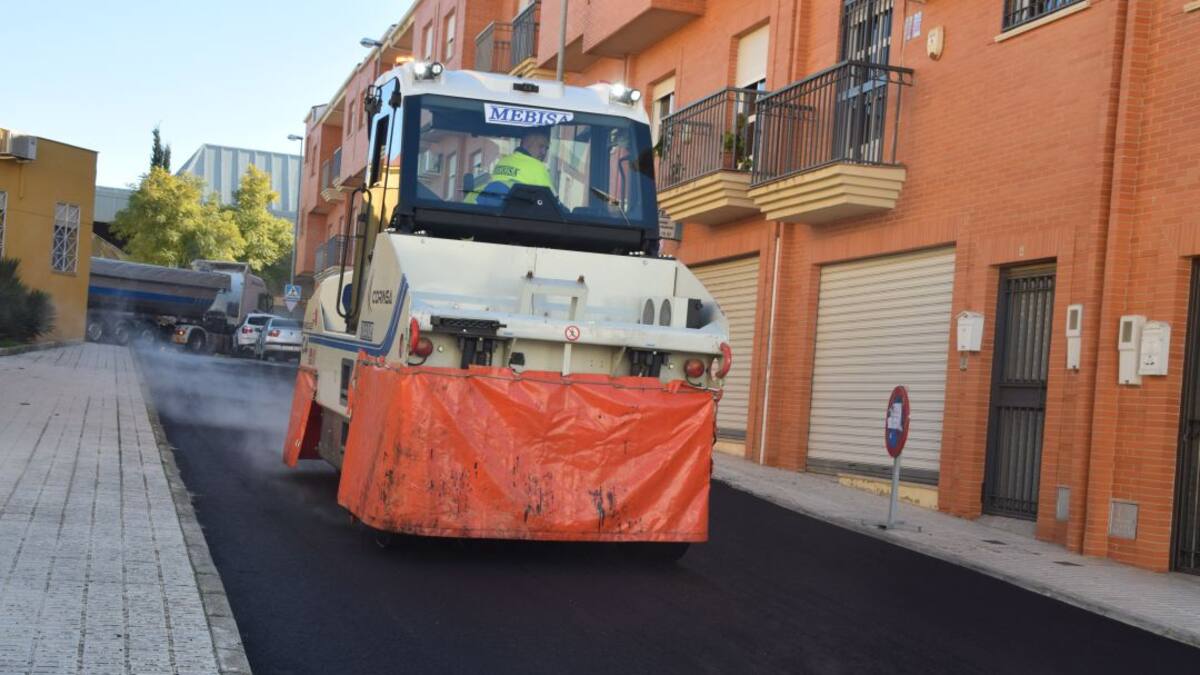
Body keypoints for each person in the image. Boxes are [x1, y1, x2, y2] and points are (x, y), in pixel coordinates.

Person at [468, 129, 553, 204]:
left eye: (546, 148)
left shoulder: (502, 161)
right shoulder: (537, 167)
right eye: (541, 146)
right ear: (527, 143)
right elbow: (553, 202)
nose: (543, 152)